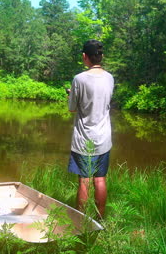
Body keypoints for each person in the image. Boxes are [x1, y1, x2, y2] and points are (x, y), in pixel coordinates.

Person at [67, 39, 114, 218]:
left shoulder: (79, 79)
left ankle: (80, 221)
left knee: (84, 181)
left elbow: (72, 108)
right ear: (100, 56)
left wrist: (72, 95)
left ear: (84, 56)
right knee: (100, 179)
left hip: (83, 138)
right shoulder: (110, 77)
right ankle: (100, 220)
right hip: (103, 138)